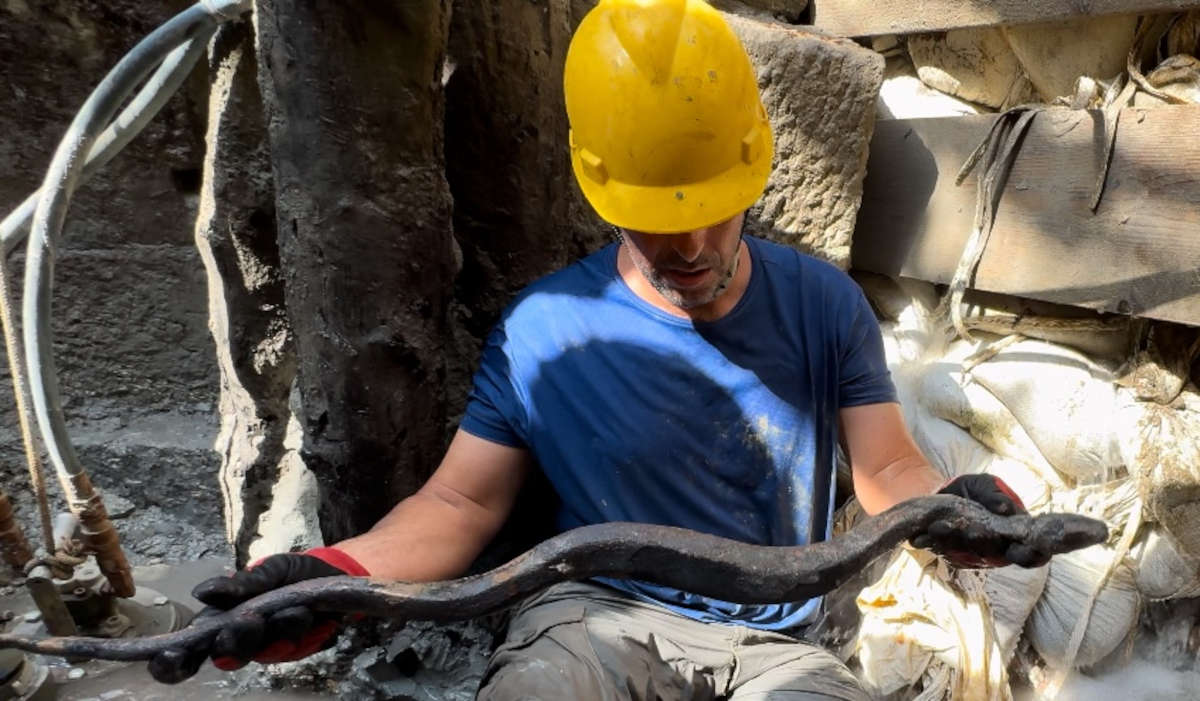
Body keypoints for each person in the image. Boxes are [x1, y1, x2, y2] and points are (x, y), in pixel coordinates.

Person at [149, 0, 1041, 696]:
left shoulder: (823, 304)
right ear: (605, 193)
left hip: (776, 638)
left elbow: (887, 471)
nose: (688, 249)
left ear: (750, 168)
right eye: (657, 224)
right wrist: (334, 579)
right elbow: (459, 504)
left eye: (709, 214)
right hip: (591, 620)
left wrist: (951, 513)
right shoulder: (544, 331)